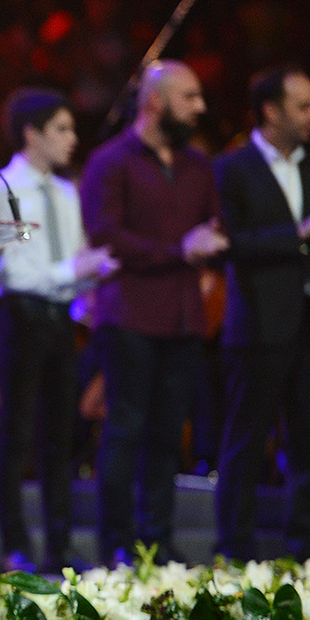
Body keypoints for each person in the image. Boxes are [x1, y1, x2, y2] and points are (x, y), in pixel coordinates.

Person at [80, 60, 228, 564]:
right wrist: (179, 251)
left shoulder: (198, 165)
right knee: (125, 429)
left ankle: (157, 542)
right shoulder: (110, 161)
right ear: (156, 101)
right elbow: (106, 237)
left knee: (167, 434)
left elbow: (212, 228)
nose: (200, 107)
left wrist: (208, 246)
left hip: (184, 318)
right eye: (190, 97)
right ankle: (116, 543)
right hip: (130, 315)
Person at [0, 88, 118, 573]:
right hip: (21, 317)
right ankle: (15, 543)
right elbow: (11, 271)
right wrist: (72, 271)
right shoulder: (1, 186)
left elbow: (74, 256)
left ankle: (59, 546)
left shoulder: (65, 191)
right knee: (17, 432)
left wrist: (90, 274)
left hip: (61, 319)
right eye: (61, 129)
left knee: (61, 436)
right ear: (32, 134)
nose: (72, 139)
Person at [213, 66, 310, 562]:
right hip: (259, 323)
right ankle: (234, 548)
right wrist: (300, 232)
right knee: (246, 439)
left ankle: (308, 547)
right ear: (271, 111)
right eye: (303, 106)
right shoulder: (232, 168)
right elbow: (231, 242)